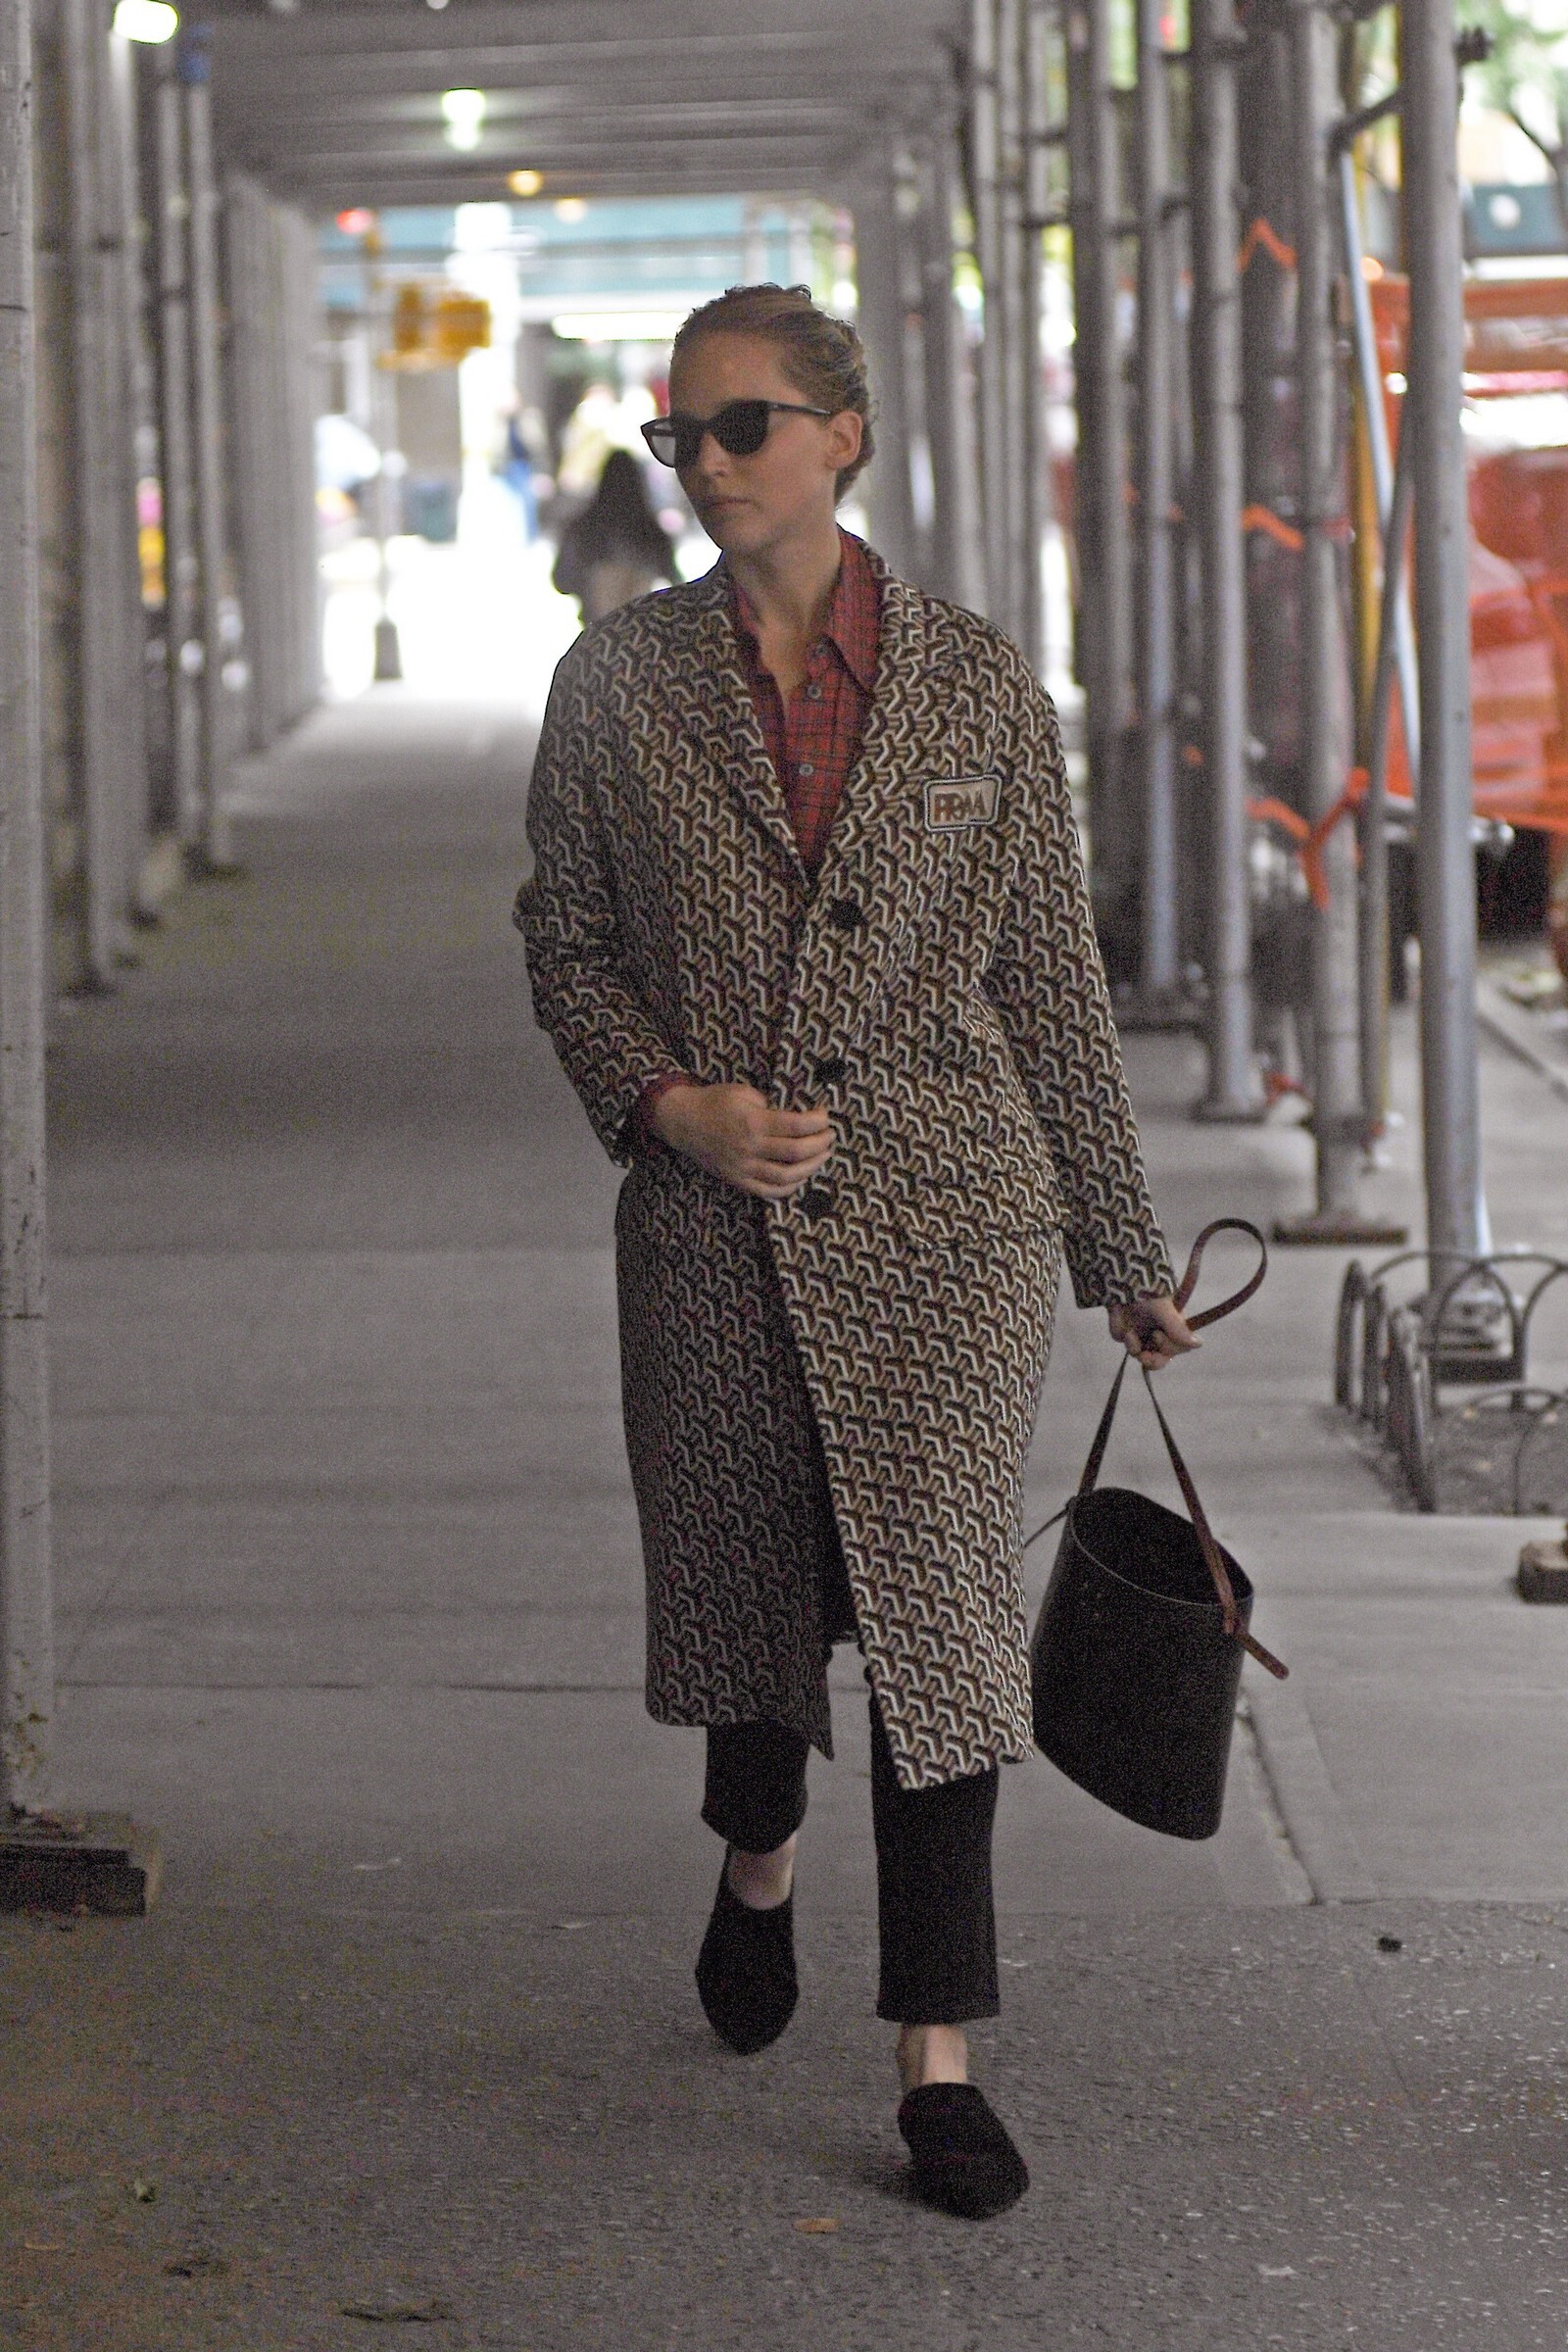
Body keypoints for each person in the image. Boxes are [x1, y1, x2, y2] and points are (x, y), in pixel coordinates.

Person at [514, 283, 1197, 2221]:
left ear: (843, 435)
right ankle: (757, 1853)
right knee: (752, 1614)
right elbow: (565, 944)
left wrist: (1117, 1242)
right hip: (710, 1233)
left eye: (745, 425)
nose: (707, 463)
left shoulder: (978, 688)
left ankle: (939, 2057)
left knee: (937, 1625)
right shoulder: (616, 683)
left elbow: (1047, 981)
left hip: (950, 1222)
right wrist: (676, 1110)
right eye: (682, 434)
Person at [551, 448, 679, 626]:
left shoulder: (583, 529)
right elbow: (675, 581)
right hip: (639, 630)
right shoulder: (651, 533)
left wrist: (591, 585)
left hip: (595, 627)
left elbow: (562, 581)